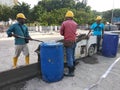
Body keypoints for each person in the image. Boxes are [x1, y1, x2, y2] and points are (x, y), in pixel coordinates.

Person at [60, 10, 78, 76]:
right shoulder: (75, 23)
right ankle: (73, 67)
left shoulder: (64, 23)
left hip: (68, 42)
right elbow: (74, 32)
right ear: (72, 17)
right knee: (73, 55)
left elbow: (61, 33)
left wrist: (65, 34)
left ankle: (71, 72)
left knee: (69, 57)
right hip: (74, 41)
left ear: (66, 17)